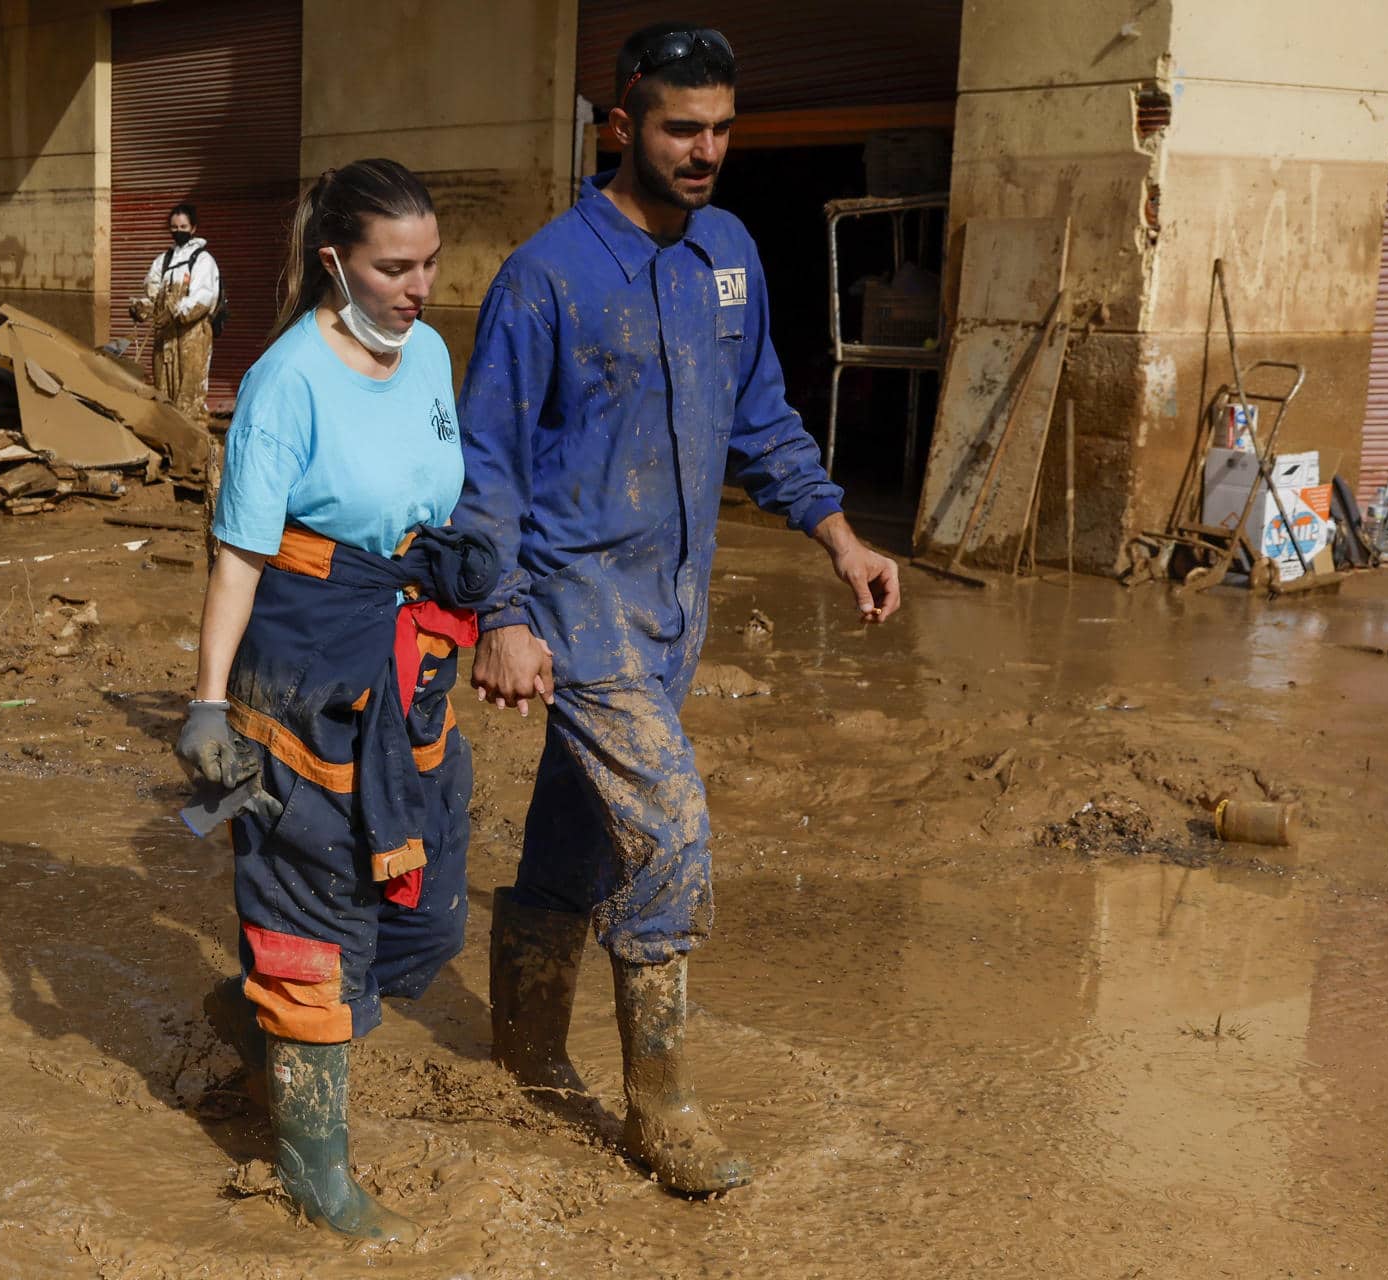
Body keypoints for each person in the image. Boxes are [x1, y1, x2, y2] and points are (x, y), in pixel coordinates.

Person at [454, 24, 902, 1196]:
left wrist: (841, 536)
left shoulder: (731, 255)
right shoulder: (546, 275)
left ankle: (525, 1054)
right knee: (671, 827)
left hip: (674, 608)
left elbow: (761, 417)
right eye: (678, 128)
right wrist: (500, 610)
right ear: (621, 127)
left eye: (719, 130)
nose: (704, 151)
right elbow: (488, 462)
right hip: (575, 597)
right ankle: (662, 1101)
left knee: (582, 826)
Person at [175, 159, 482, 1242]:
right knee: (318, 922)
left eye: (430, 263)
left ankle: (264, 1021)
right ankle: (314, 1173)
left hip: (409, 674)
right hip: (302, 679)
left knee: (429, 913)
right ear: (334, 263)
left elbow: (447, 496)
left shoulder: (434, 354)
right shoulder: (284, 382)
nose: (420, 287)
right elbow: (239, 556)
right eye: (395, 267)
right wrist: (208, 702)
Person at [129, 203, 221, 421]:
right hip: (165, 339)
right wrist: (142, 308)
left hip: (192, 338)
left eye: (183, 226)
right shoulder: (164, 260)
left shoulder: (203, 260)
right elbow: (154, 296)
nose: (178, 231)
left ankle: (195, 446)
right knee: (163, 393)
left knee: (190, 394)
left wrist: (176, 311)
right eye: (174, 227)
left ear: (193, 228)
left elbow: (203, 298)